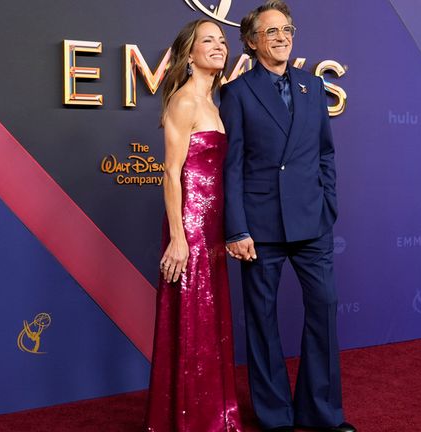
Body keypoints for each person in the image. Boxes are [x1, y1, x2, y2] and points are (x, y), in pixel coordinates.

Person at [220, 2, 356, 432]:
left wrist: (327, 203)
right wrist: (237, 227)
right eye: (271, 31)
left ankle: (322, 413)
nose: (282, 37)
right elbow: (233, 166)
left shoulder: (312, 87)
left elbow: (325, 153)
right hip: (259, 228)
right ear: (251, 41)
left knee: (325, 307)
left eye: (287, 29)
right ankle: (275, 417)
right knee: (261, 319)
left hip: (312, 221)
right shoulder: (238, 92)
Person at [145, 19, 243, 432]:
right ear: (190, 54)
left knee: (209, 323)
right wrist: (179, 239)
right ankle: (188, 421)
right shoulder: (184, 101)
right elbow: (171, 173)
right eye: (209, 40)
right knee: (190, 321)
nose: (219, 46)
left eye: (222, 40)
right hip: (190, 227)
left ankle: (213, 416)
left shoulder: (214, 102)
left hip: (213, 229)